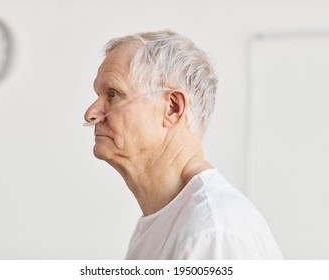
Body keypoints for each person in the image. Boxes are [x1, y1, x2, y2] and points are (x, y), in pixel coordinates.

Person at [84, 30, 283, 259]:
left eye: (113, 94)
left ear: (172, 108)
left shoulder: (211, 230)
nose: (91, 114)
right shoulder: (165, 223)